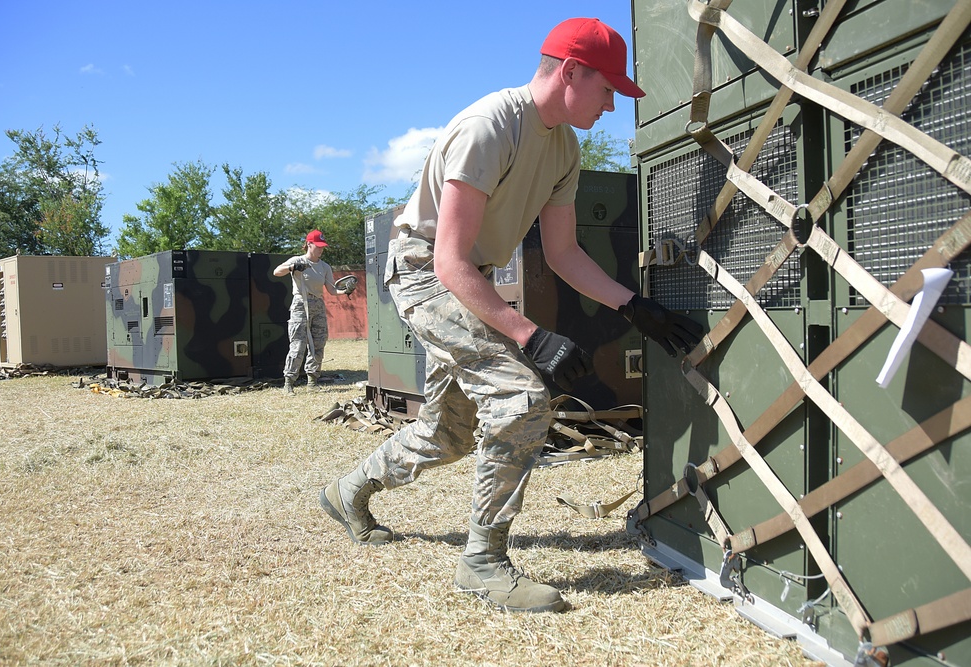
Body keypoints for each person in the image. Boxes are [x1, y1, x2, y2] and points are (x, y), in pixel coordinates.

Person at [319, 17, 702, 612]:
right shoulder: (489, 126)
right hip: (425, 272)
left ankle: (347, 492)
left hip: (467, 279)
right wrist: (528, 334)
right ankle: (483, 562)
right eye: (608, 90)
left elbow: (564, 253)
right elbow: (447, 261)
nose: (611, 105)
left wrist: (634, 306)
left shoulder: (564, 148)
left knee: (444, 433)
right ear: (571, 71)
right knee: (522, 398)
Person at [273, 229, 355, 394]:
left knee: (318, 343)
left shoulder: (324, 267)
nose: (321, 249)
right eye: (317, 246)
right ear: (309, 244)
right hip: (300, 303)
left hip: (318, 304)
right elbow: (276, 272)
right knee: (298, 344)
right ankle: (289, 382)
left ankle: (312, 381)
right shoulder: (298, 260)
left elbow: (332, 290)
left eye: (322, 246)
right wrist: (292, 267)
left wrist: (346, 291)